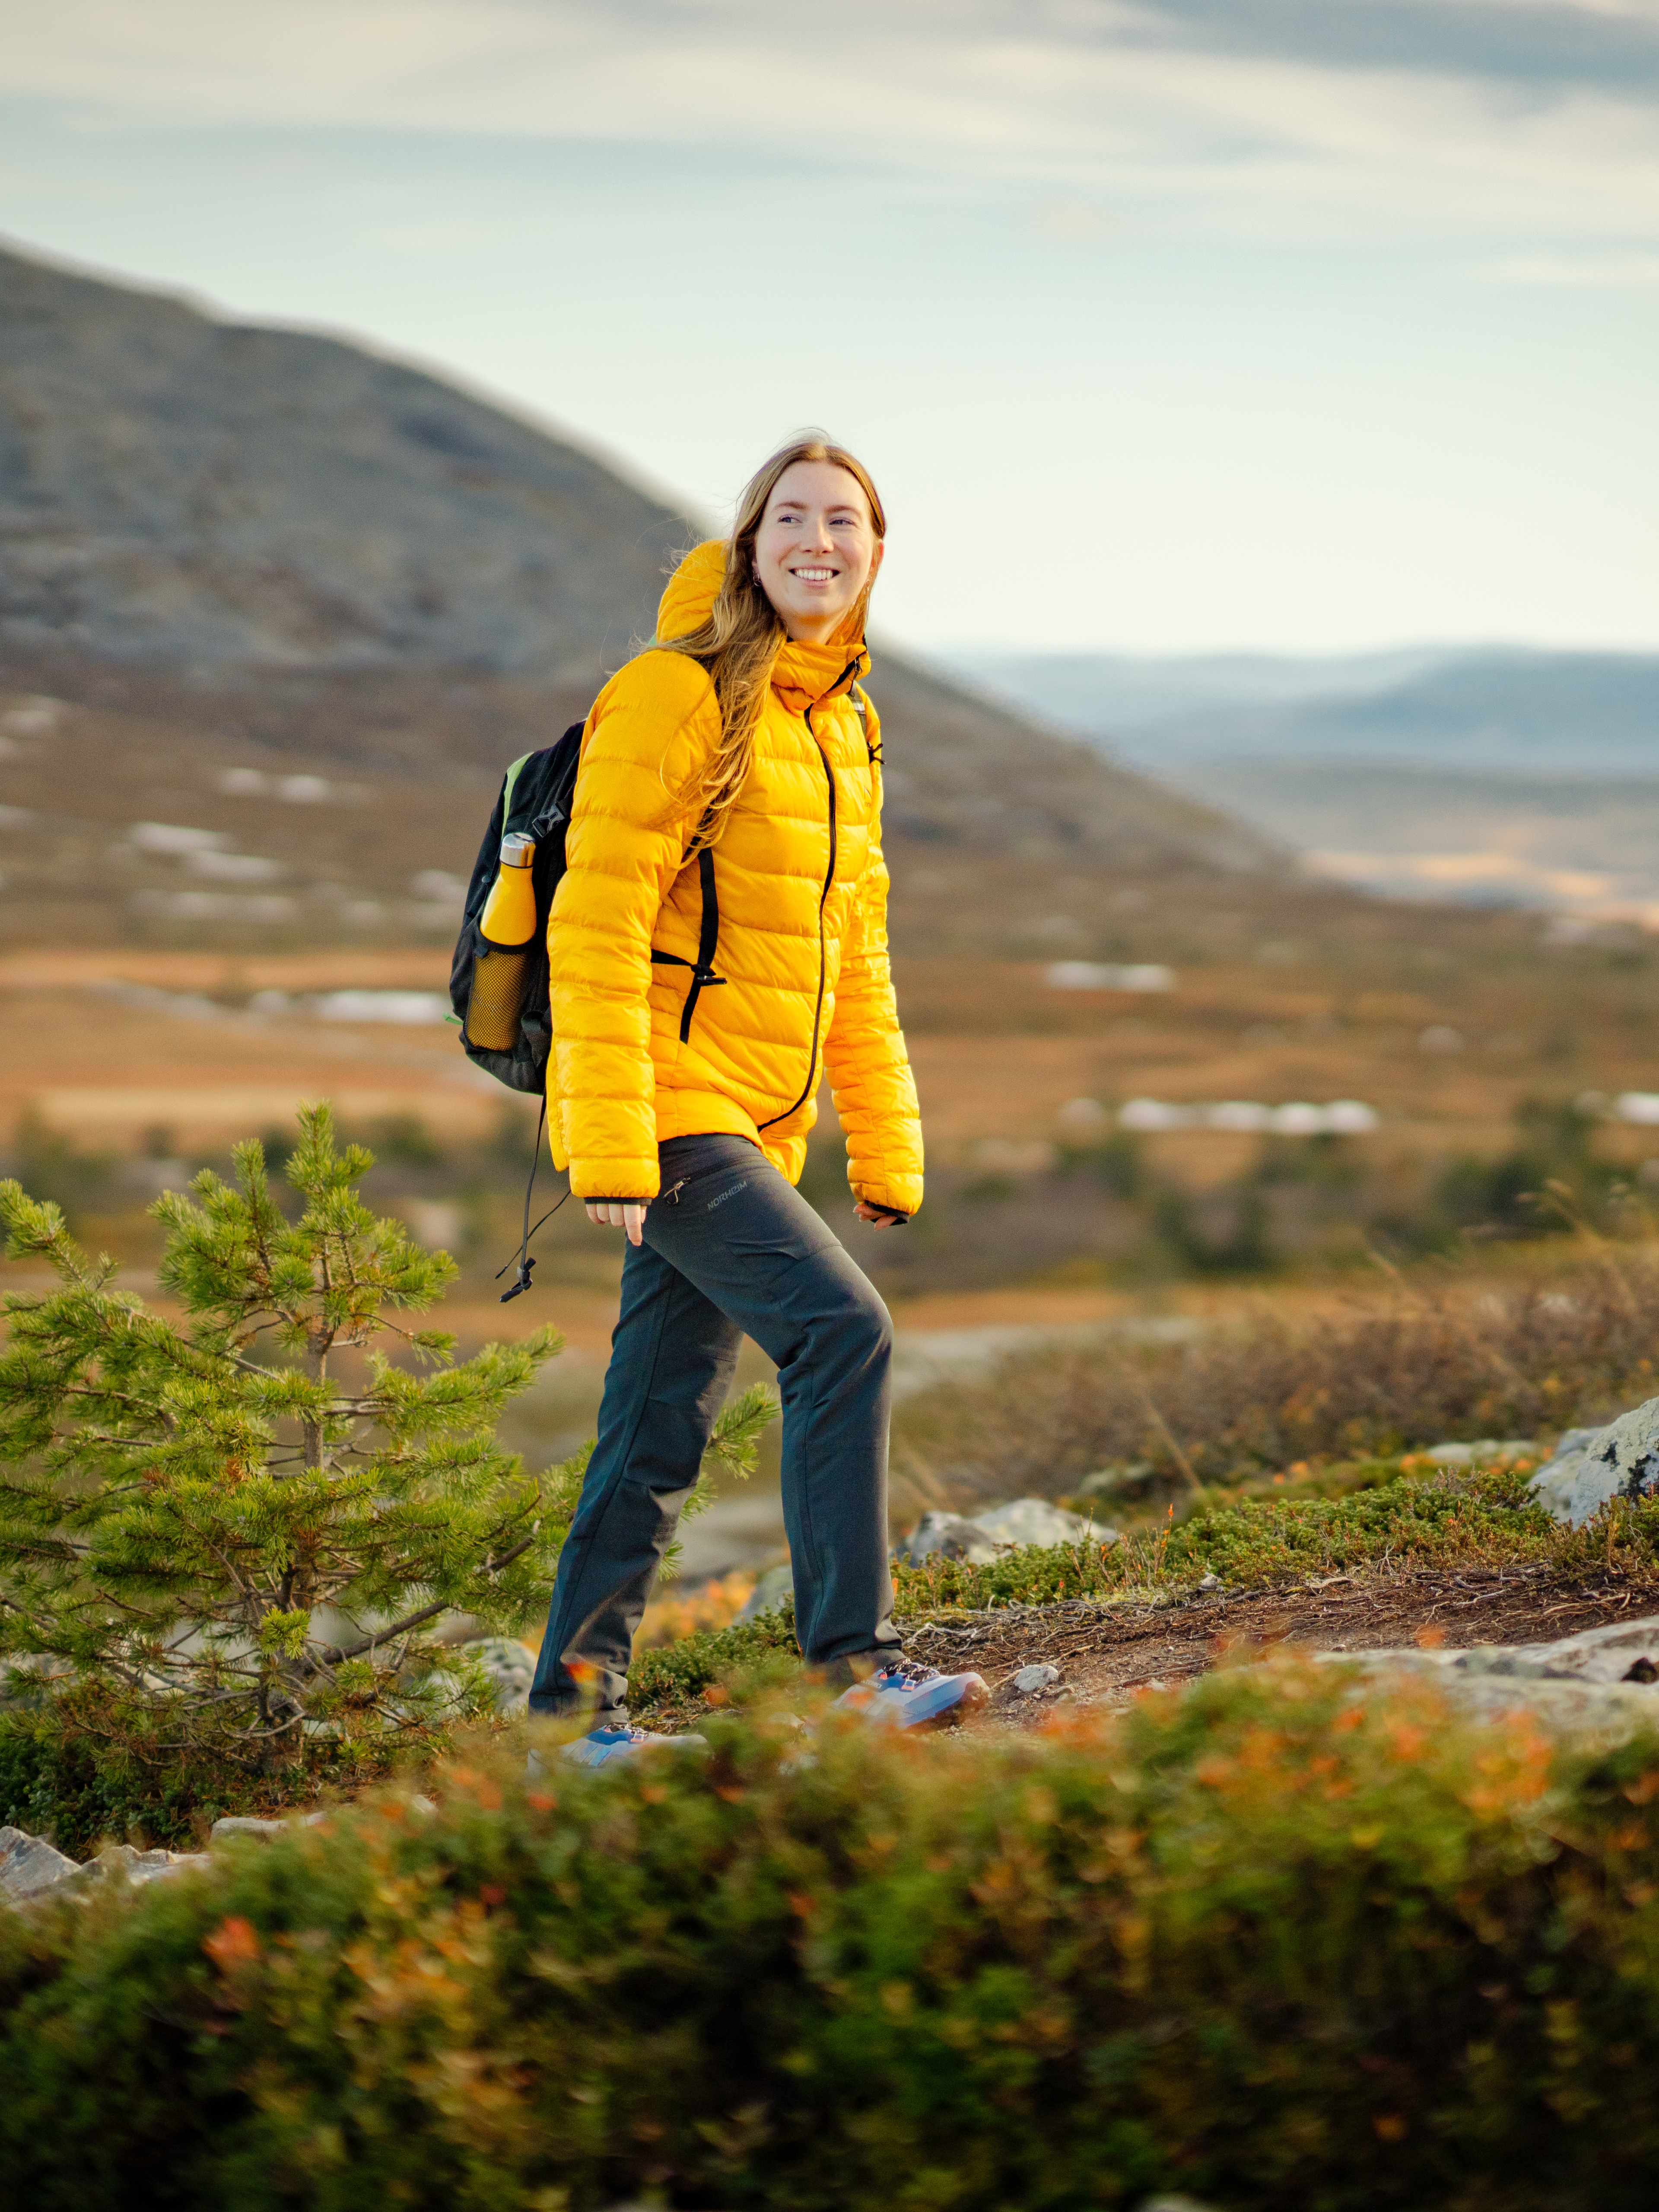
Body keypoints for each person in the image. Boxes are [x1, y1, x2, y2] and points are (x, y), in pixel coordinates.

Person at [526, 434, 986, 1762]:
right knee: (843, 1335)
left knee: (657, 1427)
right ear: (749, 542)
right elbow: (597, 927)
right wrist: (610, 1143)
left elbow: (854, 949)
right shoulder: (674, 696)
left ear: (877, 552)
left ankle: (567, 1727)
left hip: (756, 1125)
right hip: (667, 1107)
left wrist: (885, 1139)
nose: (819, 542)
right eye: (792, 518)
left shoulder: (841, 722)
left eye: (845, 522)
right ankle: (856, 1667)